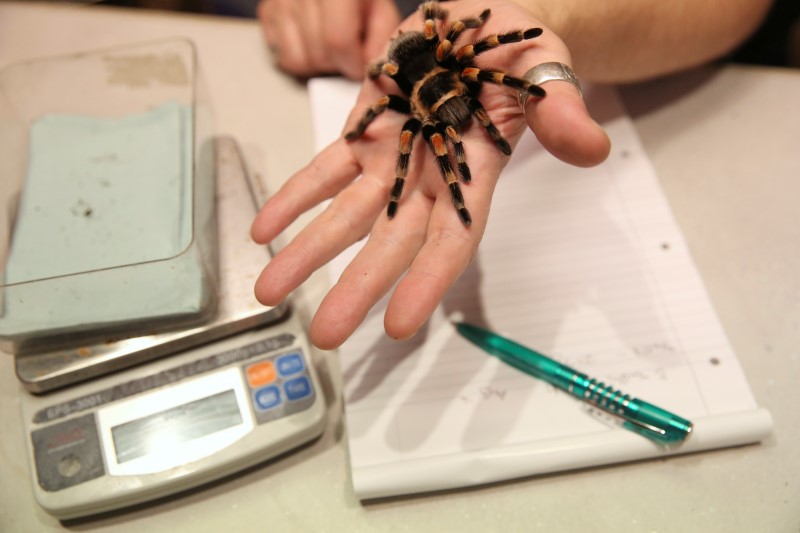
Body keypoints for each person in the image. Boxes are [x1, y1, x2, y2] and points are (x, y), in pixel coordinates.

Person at [251, 0, 773, 350]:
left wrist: (528, 14)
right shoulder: (405, 105)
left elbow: (466, 37)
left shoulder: (458, 64)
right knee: (414, 140)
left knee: (470, 71)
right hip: (340, 43)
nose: (453, 117)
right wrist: (372, 141)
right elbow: (399, 127)